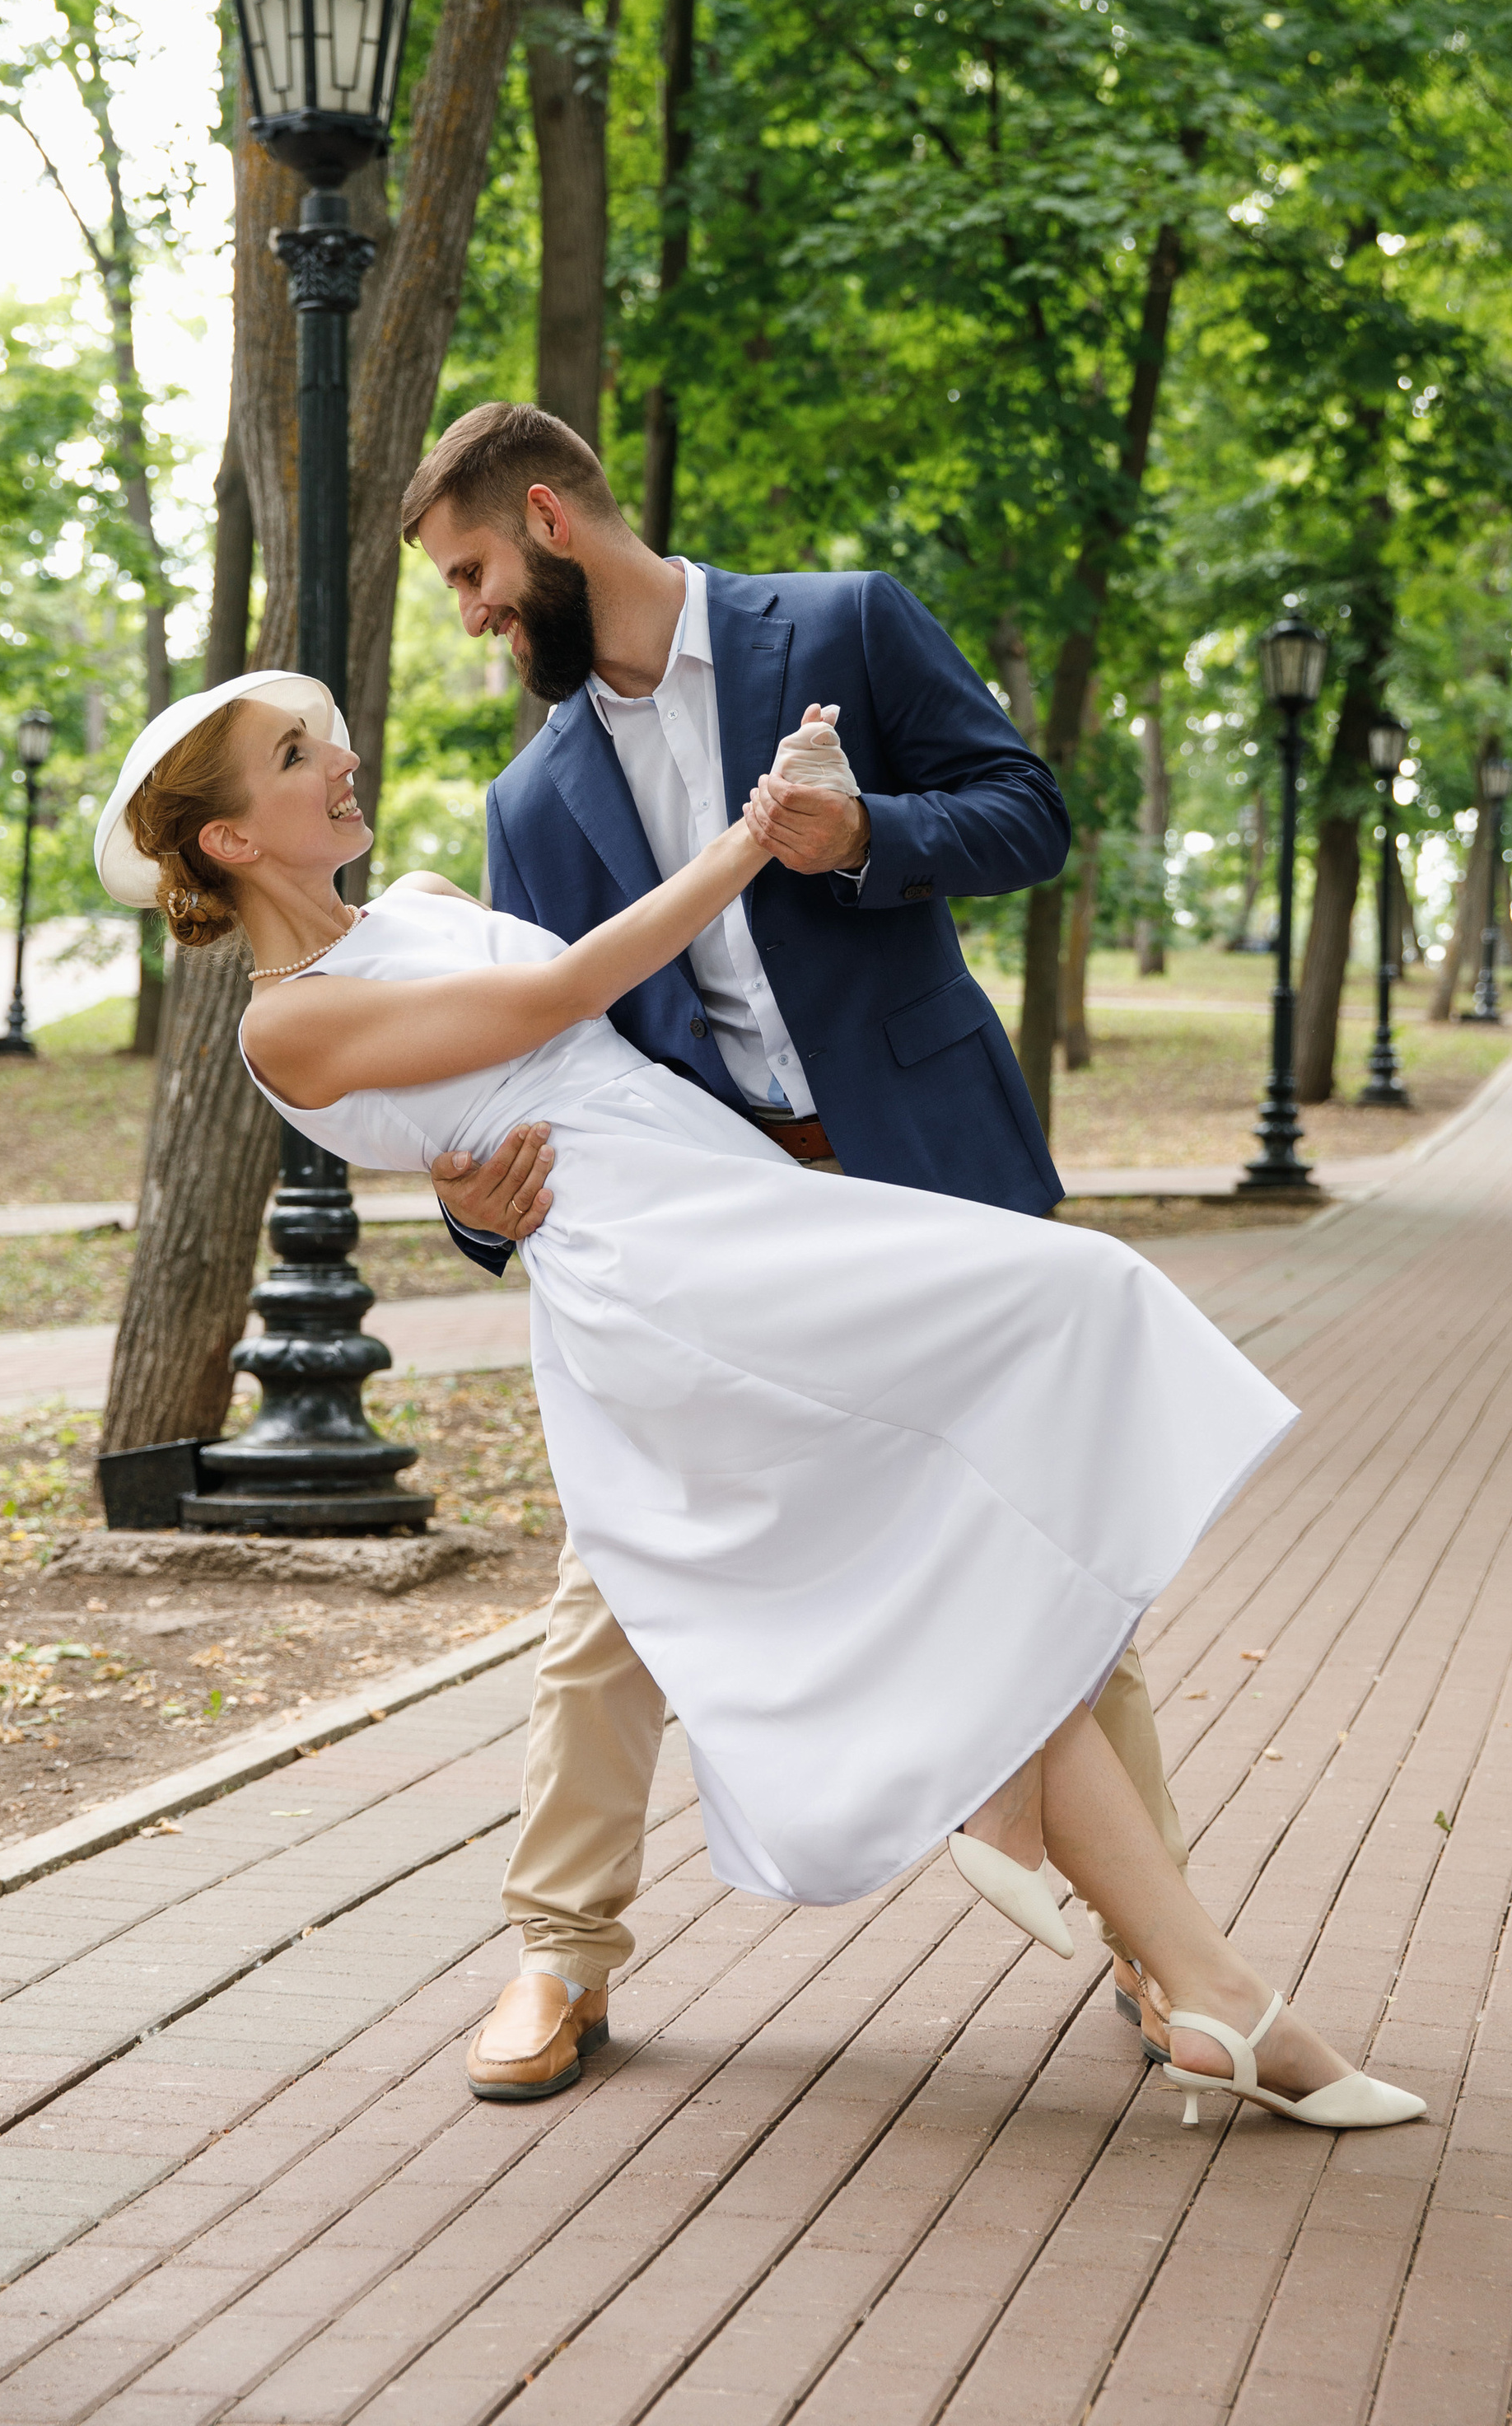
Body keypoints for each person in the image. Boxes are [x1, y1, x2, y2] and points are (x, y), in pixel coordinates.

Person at [91, 675, 1427, 2141]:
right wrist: (750, 837)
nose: (341, 758)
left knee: (976, 1502)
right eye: (295, 758)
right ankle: (1159, 1956)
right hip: (656, 1265)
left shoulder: (410, 899)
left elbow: (580, 1038)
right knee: (1064, 1314)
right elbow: (550, 1004)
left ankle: (1194, 1976)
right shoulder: (282, 1028)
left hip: (726, 1191)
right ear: (226, 843)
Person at [397, 401, 1188, 2102]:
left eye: (469, 572)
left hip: (923, 1184)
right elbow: (531, 1051)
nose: (467, 612)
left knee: (1052, 1572)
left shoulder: (837, 625)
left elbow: (1028, 814)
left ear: (546, 518)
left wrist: (869, 842)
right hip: (715, 1230)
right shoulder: (529, 798)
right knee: (615, 1575)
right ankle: (557, 1951)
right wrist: (474, 1209)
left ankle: (1160, 1949)